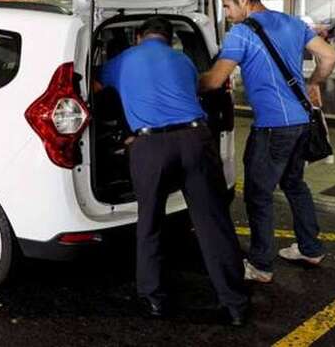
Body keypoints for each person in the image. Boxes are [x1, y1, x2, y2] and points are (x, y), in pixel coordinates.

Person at [96, 16, 249, 325]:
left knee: (150, 223)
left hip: (150, 146)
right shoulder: (183, 60)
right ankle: (235, 306)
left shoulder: (123, 59)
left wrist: (127, 121)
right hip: (196, 139)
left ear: (139, 36)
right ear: (170, 39)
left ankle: (154, 300)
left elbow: (95, 86)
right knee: (213, 222)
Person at [200, 0, 335, 284]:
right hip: (302, 121)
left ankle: (261, 265)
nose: (227, 13)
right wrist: (313, 83)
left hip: (273, 127)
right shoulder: (293, 22)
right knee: (294, 184)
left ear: (243, 1)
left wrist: (183, 82)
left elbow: (213, 81)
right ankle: (310, 249)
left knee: (258, 194)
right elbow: (330, 56)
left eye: (227, 6)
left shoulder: (241, 33)